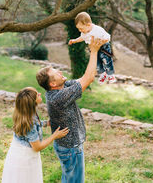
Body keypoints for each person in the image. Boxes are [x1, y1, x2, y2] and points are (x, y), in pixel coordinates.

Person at [36, 37, 106, 183]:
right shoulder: (59, 97)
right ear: (53, 83)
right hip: (70, 149)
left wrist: (95, 53)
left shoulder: (63, 87)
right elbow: (88, 79)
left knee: (69, 179)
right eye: (56, 72)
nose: (60, 71)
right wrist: (93, 51)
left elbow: (84, 78)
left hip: (67, 147)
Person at [2, 87, 69, 183]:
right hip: (25, 158)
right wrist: (55, 136)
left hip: (18, 152)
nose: (40, 94)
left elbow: (36, 124)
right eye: (37, 94)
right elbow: (37, 147)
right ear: (33, 102)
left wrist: (46, 123)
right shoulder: (30, 123)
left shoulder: (25, 113)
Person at [68, 11, 116, 84]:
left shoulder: (97, 30)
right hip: (94, 49)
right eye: (78, 29)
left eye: (81, 28)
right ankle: (103, 74)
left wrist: (105, 41)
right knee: (96, 63)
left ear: (88, 25)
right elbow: (82, 38)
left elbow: (107, 37)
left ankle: (110, 74)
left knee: (106, 60)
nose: (80, 30)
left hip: (103, 47)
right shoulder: (84, 33)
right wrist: (74, 41)